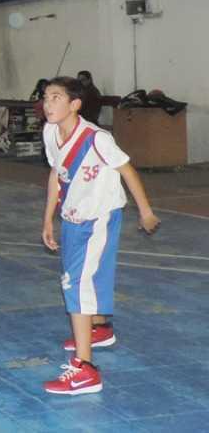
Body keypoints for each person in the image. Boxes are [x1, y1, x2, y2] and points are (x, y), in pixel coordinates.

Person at [40, 76, 160, 395]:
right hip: (72, 217)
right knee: (91, 276)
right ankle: (100, 329)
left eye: (55, 97)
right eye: (45, 97)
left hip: (99, 217)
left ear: (75, 104)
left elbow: (127, 170)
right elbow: (56, 173)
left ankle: (86, 370)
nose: (48, 103)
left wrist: (145, 211)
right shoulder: (50, 132)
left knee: (76, 283)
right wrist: (48, 217)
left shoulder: (97, 138)